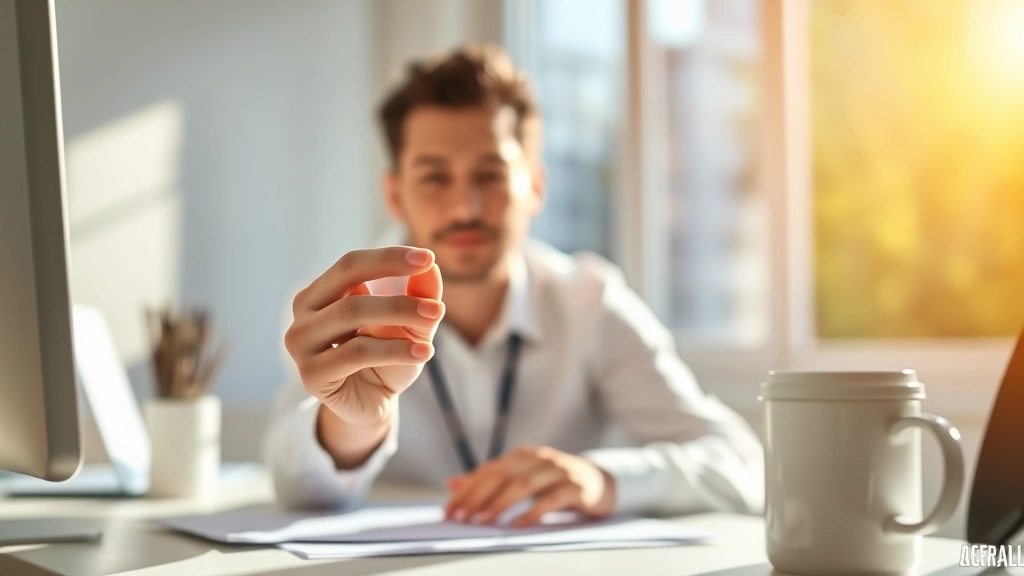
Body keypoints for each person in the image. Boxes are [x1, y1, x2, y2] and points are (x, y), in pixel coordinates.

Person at [264, 45, 763, 527]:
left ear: (537, 188)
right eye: (435, 178)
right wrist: (359, 422)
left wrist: (603, 479)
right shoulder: (345, 307)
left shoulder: (590, 302)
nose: (466, 208)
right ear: (395, 195)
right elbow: (292, 486)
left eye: (491, 175)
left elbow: (743, 465)